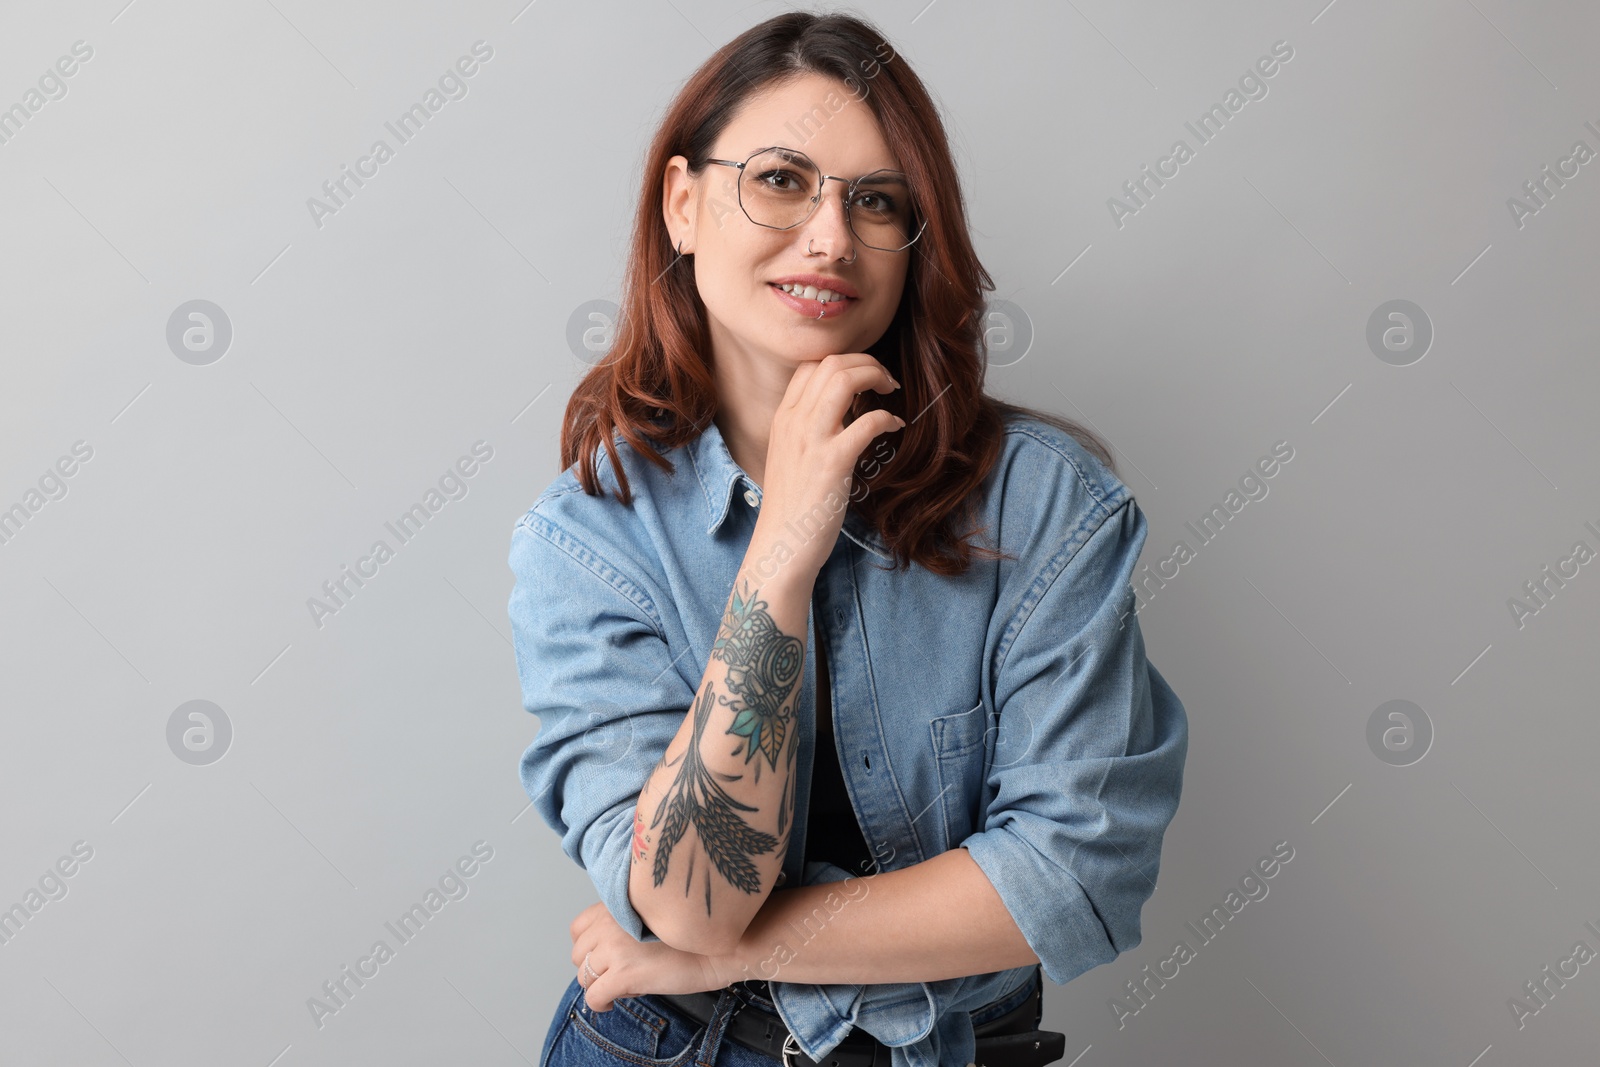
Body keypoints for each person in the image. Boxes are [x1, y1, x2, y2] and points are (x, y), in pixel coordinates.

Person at [508, 11, 1189, 1067]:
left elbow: (1070, 875)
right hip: (663, 1044)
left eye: (875, 201)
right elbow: (691, 900)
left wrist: (736, 953)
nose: (830, 236)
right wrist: (781, 546)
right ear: (682, 204)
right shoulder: (588, 538)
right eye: (781, 179)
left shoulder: (1043, 505)